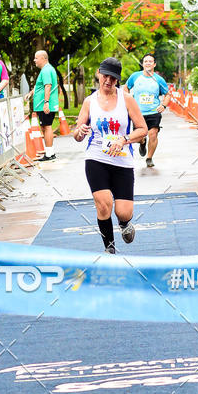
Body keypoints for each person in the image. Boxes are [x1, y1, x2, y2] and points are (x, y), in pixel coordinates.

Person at [72, 58, 146, 254]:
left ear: (117, 80)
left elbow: (143, 129)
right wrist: (80, 132)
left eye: (113, 78)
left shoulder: (126, 99)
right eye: (105, 76)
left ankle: (124, 223)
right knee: (103, 204)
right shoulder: (89, 102)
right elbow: (77, 133)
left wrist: (124, 139)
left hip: (122, 161)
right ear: (98, 73)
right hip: (96, 159)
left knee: (123, 211)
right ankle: (110, 248)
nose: (108, 81)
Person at [125, 53, 169, 168]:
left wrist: (163, 105)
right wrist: (128, 100)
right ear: (143, 64)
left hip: (153, 112)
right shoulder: (135, 76)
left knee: (153, 133)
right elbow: (126, 88)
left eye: (150, 61)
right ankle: (142, 143)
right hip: (138, 113)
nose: (148, 63)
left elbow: (167, 94)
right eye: (145, 61)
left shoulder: (159, 79)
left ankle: (149, 158)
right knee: (139, 137)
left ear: (154, 64)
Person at [26, 50, 59, 162]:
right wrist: (31, 93)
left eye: (36, 58)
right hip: (43, 104)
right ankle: (50, 152)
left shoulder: (46, 70)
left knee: (47, 126)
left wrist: (46, 102)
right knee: (45, 127)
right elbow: (39, 86)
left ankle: (49, 154)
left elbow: (48, 86)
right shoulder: (47, 69)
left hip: (45, 105)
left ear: (44, 58)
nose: (34, 60)